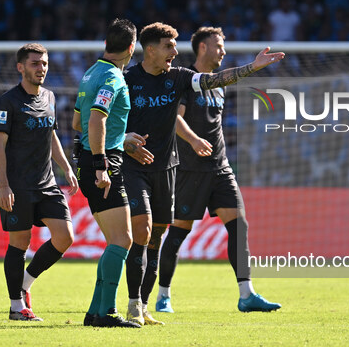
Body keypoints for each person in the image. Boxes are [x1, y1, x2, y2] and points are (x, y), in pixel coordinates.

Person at [122, 22, 284, 325]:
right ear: (152, 49)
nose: (174, 52)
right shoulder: (127, 79)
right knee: (152, 232)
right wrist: (123, 141)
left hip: (190, 167)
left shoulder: (181, 78)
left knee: (166, 234)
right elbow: (104, 120)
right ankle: (146, 301)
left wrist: (252, 67)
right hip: (159, 168)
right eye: (169, 46)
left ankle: (148, 304)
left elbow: (215, 80)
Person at [72, 18, 152, 328]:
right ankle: (105, 313)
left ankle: (96, 311)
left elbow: (77, 124)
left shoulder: (90, 73)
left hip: (92, 158)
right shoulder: (114, 79)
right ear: (132, 48)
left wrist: (121, 137)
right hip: (104, 163)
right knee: (123, 239)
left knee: (116, 242)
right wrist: (102, 164)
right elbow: (95, 122)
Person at [0, 43, 79, 321]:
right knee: (20, 242)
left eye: (44, 63)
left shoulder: (51, 97)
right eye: (34, 63)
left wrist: (66, 167)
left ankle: (25, 284)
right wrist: (3, 185)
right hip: (18, 186)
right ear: (21, 67)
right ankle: (16, 307)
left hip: (47, 183)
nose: (41, 68)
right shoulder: (8, 101)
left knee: (65, 237)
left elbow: (51, 134)